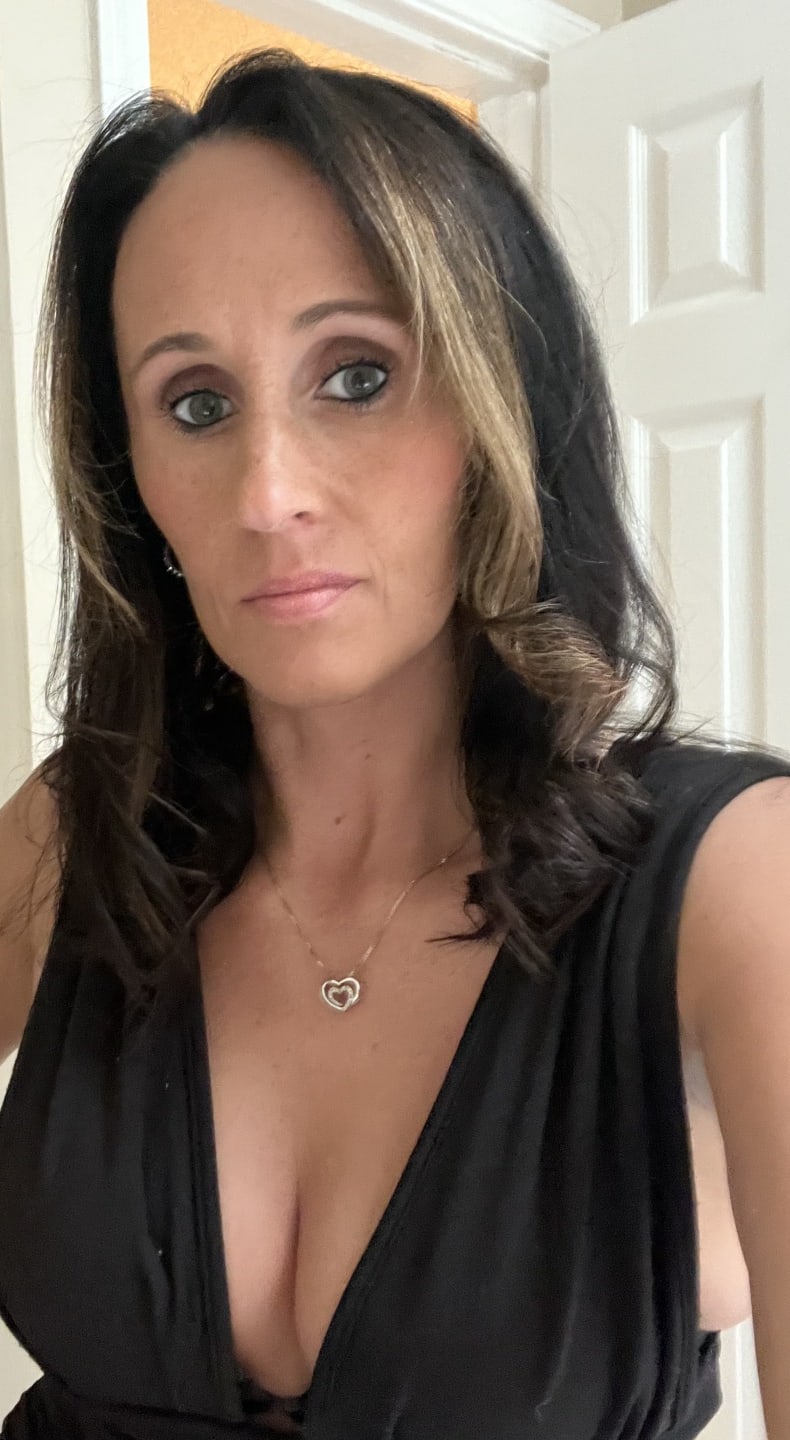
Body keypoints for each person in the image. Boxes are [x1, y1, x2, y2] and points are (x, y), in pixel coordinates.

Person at [0, 47, 789, 1440]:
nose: (268, 492)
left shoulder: (735, 886)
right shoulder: (78, 836)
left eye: (357, 375)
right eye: (196, 404)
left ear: (501, 409)